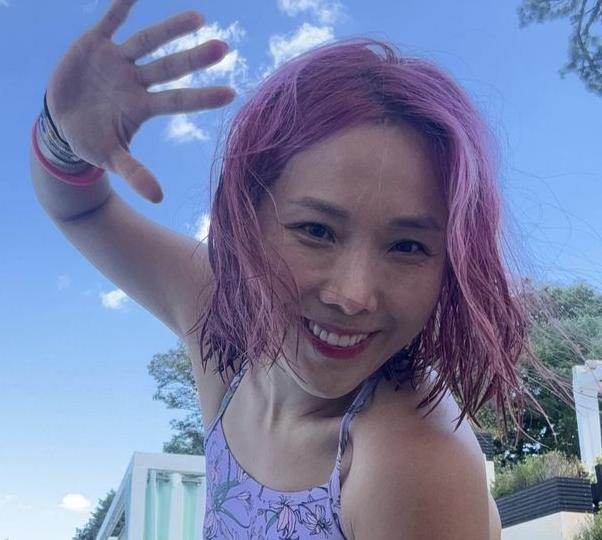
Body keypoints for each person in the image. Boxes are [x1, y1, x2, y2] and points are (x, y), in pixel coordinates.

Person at [33, 1, 575, 538]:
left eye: (408, 245)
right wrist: (62, 136)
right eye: (316, 230)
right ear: (248, 220)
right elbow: (82, 210)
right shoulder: (227, 326)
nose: (353, 294)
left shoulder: (409, 460)